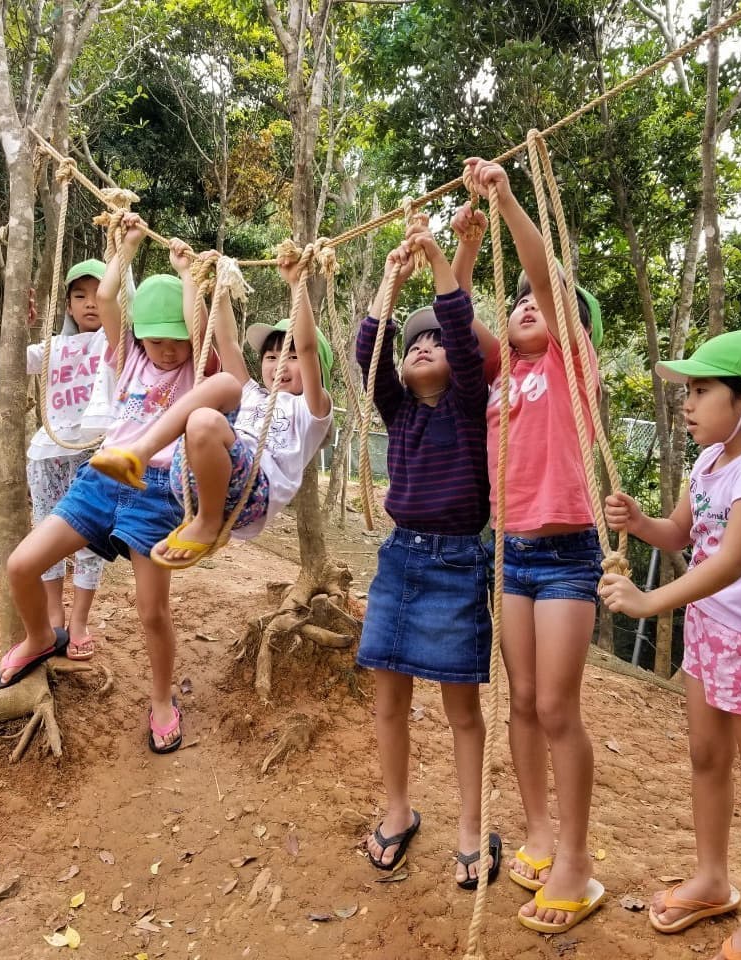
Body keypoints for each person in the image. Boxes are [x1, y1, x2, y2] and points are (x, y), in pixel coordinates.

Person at [601, 328, 741, 960]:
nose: (686, 403)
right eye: (686, 390)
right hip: (710, 633)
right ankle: (714, 878)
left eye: (701, 389)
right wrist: (642, 524)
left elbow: (734, 561)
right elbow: (682, 535)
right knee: (705, 757)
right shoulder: (709, 461)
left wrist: (648, 601)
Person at [0, 213, 210, 757]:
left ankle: (163, 700)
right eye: (156, 338)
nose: (166, 349)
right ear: (140, 336)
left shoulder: (195, 373)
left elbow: (201, 333)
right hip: (99, 477)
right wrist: (128, 245)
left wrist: (187, 276)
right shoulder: (126, 358)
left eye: (176, 340)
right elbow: (111, 298)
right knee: (21, 564)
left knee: (151, 610)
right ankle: (42, 637)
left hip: (155, 491)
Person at [464, 157, 606, 933]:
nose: (525, 306)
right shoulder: (498, 383)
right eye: (512, 304)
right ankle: (541, 834)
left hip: (566, 555)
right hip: (511, 554)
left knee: (556, 704)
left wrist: (508, 198)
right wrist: (445, 247)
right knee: (519, 700)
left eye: (537, 304)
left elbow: (544, 279)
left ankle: (579, 867)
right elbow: (456, 315)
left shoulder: (568, 366)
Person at [355, 218, 500, 891]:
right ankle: (397, 808)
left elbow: (461, 331)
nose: (425, 347)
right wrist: (390, 281)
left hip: (457, 564)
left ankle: (471, 826)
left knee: (460, 709)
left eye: (438, 342)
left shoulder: (471, 404)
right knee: (388, 699)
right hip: (398, 561)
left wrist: (442, 258)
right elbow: (368, 350)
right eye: (415, 344)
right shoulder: (400, 411)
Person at [91, 250, 333, 568]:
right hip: (191, 473)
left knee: (208, 414)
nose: (280, 365)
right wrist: (220, 282)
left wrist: (296, 285)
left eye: (291, 357)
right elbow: (229, 342)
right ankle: (138, 454)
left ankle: (206, 521)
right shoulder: (251, 393)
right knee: (222, 388)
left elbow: (308, 347)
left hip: (249, 494)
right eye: (272, 357)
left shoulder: (312, 410)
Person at [24, 259, 109, 661]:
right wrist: (21, 323)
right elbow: (12, 360)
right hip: (48, 451)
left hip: (94, 451)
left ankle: (79, 620)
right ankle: (54, 611)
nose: (90, 303)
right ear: (69, 306)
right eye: (80, 296)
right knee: (46, 533)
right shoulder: (52, 347)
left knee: (90, 537)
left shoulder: (114, 343)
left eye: (98, 295)